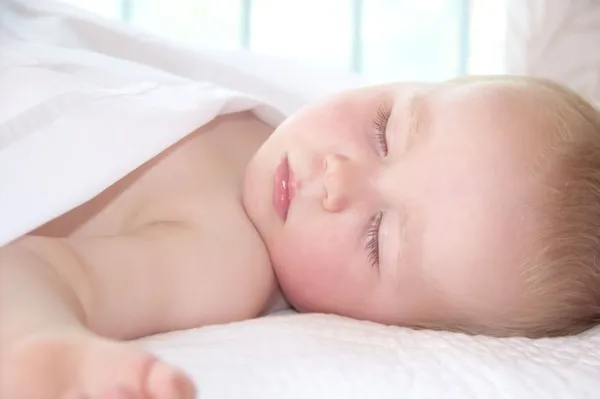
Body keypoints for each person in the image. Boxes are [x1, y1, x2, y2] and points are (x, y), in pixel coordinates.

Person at [1, 74, 599, 399]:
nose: (338, 176)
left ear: (387, 326)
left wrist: (43, 349)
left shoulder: (224, 262)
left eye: (375, 238)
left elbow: (42, 272)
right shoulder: (270, 112)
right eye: (383, 130)